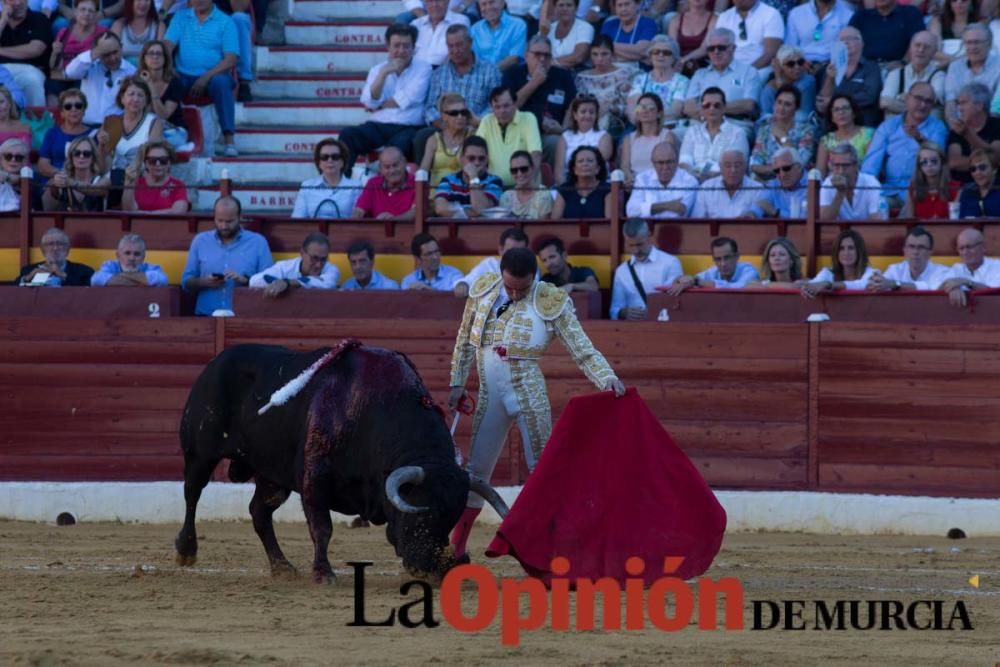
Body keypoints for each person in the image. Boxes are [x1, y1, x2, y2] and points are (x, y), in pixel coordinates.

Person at [447, 245, 625, 557]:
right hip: (490, 393)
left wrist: (605, 376)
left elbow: (581, 348)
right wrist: (457, 382)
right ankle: (456, 548)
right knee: (475, 471)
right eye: (509, 287)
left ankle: (549, 550)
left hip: (528, 392)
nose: (515, 295)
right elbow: (464, 339)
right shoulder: (483, 290)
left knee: (541, 471)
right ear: (500, 275)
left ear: (535, 277)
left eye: (522, 288)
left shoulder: (551, 299)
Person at [340, 24, 430, 170]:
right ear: (387, 46)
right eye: (396, 45)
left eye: (406, 46)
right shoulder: (377, 70)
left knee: (396, 147)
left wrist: (379, 105)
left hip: (408, 126)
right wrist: (383, 74)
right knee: (348, 134)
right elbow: (368, 101)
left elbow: (409, 99)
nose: (401, 51)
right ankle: (341, 183)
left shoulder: (423, 68)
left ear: (414, 47)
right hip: (378, 125)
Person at [415, 24, 500, 166]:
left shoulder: (490, 71)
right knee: (422, 136)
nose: (455, 50)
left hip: (476, 128)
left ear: (470, 43)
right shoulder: (439, 74)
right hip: (445, 128)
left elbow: (495, 106)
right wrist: (445, 124)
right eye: (451, 46)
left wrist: (478, 121)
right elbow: (430, 107)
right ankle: (422, 181)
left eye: (459, 45)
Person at [164, 0, 240, 156]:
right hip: (183, 74)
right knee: (168, 80)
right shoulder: (180, 17)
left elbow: (231, 59)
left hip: (213, 75)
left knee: (221, 83)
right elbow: (166, 47)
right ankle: (169, 134)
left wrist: (206, 77)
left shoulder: (226, 21)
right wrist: (170, 68)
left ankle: (229, 140)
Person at [861, 82, 948, 208]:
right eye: (918, 98)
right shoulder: (888, 126)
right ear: (907, 98)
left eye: (928, 101)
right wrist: (867, 193)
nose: (923, 105)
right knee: (873, 206)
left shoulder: (937, 127)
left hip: (921, 192)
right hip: (889, 191)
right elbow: (870, 166)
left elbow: (937, 158)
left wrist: (920, 140)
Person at [181, 196, 273, 315]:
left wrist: (246, 281)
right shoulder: (200, 241)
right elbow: (185, 283)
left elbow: (269, 282)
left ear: (240, 217)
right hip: (206, 317)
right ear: (214, 217)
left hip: (244, 318)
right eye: (220, 220)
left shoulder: (258, 242)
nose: (224, 226)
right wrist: (204, 282)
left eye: (229, 221)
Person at [502, 34, 576, 159]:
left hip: (550, 134)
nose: (542, 59)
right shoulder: (512, 74)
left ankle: (557, 179)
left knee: (557, 143)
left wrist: (563, 128)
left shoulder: (563, 76)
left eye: (547, 55)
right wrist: (534, 82)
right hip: (519, 133)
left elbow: (573, 105)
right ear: (526, 56)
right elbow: (508, 108)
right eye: (537, 54)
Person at [609, 217, 683, 320]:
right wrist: (623, 313)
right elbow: (614, 311)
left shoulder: (671, 263)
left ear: (649, 236)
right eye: (631, 245)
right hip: (632, 331)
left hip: (663, 329)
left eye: (639, 245)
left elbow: (675, 302)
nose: (636, 251)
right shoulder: (621, 271)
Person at [683, 28, 762, 125]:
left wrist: (710, 109)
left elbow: (748, 105)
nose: (716, 52)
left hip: (734, 123)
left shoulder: (749, 72)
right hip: (702, 123)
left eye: (721, 48)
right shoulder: (700, 74)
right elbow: (688, 107)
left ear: (733, 49)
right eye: (711, 49)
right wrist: (714, 112)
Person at [814, 27, 882, 128]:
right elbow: (823, 100)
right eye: (842, 40)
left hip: (862, 125)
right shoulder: (829, 68)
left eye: (851, 39)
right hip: (833, 127)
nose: (846, 42)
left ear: (861, 44)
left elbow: (869, 97)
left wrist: (835, 102)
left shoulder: (871, 68)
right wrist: (830, 78)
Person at [63, 31, 136, 126]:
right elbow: (70, 73)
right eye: (107, 54)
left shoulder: (132, 72)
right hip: (85, 127)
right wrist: (96, 52)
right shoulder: (89, 65)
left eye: (115, 52)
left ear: (121, 47)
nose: (113, 58)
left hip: (116, 128)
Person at [475, 85, 542, 186]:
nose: (502, 111)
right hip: (493, 187)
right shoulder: (486, 121)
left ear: (515, 104)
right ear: (491, 107)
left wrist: (527, 185)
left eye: (506, 106)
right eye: (497, 107)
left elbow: (536, 154)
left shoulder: (528, 118)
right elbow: (477, 153)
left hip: (524, 187)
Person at [98, 76, 163, 177]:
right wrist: (102, 147)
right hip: (113, 177)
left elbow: (153, 159)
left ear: (146, 100)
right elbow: (103, 167)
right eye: (131, 94)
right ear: (122, 98)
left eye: (140, 95)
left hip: (140, 177)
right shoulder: (111, 122)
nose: (135, 99)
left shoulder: (154, 122)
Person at [749, 84, 817, 181]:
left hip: (796, 183)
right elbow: (754, 164)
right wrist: (777, 169)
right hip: (767, 182)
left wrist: (782, 137)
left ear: (796, 109)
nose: (781, 108)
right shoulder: (765, 129)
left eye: (787, 104)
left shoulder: (806, 131)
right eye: (779, 102)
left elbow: (799, 163)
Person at [46, 0, 105, 106]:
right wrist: (55, 53)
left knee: (75, 97)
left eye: (91, 11)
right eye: (83, 9)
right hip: (63, 76)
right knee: (51, 90)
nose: (86, 14)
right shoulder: (64, 32)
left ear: (96, 15)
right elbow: (53, 66)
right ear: (75, 12)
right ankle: (54, 119)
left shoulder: (102, 34)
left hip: (86, 78)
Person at [880, 32, 946, 120]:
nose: (920, 50)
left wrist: (902, 99)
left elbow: (936, 98)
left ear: (934, 52)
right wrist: (920, 109)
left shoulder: (939, 75)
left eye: (926, 47)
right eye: (917, 45)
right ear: (910, 48)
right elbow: (885, 102)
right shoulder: (896, 74)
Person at [433, 135, 504, 217]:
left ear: (487, 160)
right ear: (462, 159)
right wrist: (473, 212)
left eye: (481, 158)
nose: (476, 163)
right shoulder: (448, 180)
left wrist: (473, 177)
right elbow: (440, 209)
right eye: (471, 158)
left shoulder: (495, 181)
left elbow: (481, 209)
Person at [248, 232, 339, 296]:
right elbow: (254, 281)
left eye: (323, 259)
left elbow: (327, 285)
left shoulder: (331, 269)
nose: (318, 265)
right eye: (314, 258)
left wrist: (288, 283)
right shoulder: (284, 267)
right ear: (302, 253)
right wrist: (278, 282)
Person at [626, 140, 699, 218]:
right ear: (653, 163)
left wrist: (648, 208)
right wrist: (667, 206)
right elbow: (631, 211)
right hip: (647, 229)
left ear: (677, 161)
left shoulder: (690, 181)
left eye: (669, 162)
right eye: (661, 163)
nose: (665, 167)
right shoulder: (642, 179)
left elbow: (677, 215)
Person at [626, 35, 689, 125]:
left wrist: (650, 120)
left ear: (674, 58)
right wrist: (642, 122)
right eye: (656, 52)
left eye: (666, 53)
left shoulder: (682, 81)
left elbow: (676, 111)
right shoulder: (640, 79)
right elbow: (633, 106)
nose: (660, 55)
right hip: (640, 126)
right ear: (650, 56)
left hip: (668, 126)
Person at [574, 35, 631, 134]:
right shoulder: (581, 78)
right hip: (585, 120)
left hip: (613, 123)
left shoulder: (624, 75)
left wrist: (609, 108)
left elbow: (627, 107)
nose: (599, 59)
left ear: (613, 55)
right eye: (595, 54)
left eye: (604, 54)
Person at [0, 0, 51, 108]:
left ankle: (37, 121)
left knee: (32, 79)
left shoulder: (39, 18)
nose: (18, 3)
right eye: (12, 0)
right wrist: (3, 21)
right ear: (4, 3)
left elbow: (36, 49)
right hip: (1, 69)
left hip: (29, 68)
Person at [292, 138, 360, 219]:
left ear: (342, 162)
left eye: (335, 157)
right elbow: (297, 219)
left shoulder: (356, 187)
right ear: (319, 163)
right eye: (324, 157)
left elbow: (356, 222)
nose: (330, 160)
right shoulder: (307, 186)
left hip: (343, 231)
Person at [136, 40, 187, 149]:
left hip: (172, 130)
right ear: (144, 58)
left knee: (158, 145)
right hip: (146, 130)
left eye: (159, 54)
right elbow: (141, 114)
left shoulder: (175, 82)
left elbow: (163, 116)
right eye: (151, 53)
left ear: (165, 59)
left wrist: (150, 85)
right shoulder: (137, 82)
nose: (155, 57)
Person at [946, 82, 1000, 184]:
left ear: (979, 106)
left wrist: (968, 135)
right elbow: (953, 162)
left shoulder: (997, 126)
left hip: (993, 186)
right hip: (963, 186)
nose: (959, 109)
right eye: (958, 103)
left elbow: (997, 158)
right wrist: (985, 164)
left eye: (964, 103)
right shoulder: (957, 129)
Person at [867, 226, 950, 291]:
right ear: (905, 251)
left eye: (921, 247)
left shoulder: (941, 271)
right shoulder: (895, 270)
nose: (915, 252)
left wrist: (896, 284)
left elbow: (931, 287)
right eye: (911, 247)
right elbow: (883, 285)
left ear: (930, 252)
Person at [454, 226, 531, 296]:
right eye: (511, 251)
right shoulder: (490, 264)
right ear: (501, 250)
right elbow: (467, 282)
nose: (516, 257)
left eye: (520, 251)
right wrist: (463, 286)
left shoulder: (531, 265)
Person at [37, 88, 91, 185]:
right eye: (68, 106)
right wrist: (61, 175)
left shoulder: (93, 134)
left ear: (84, 110)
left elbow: (100, 167)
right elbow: (42, 165)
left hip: (83, 183)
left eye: (78, 106)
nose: (73, 109)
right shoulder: (52, 133)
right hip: (55, 182)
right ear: (62, 113)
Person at [801, 229, 877, 298]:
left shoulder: (871, 273)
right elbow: (814, 284)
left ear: (859, 252)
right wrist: (807, 288)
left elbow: (861, 285)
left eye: (851, 248)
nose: (846, 253)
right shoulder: (827, 272)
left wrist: (829, 284)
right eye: (841, 248)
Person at [668, 236, 760, 293]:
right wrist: (682, 279)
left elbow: (737, 288)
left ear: (737, 256)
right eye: (718, 259)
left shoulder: (749, 271)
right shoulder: (713, 272)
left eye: (727, 257)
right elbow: (693, 278)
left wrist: (697, 281)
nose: (723, 263)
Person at [621, 92, 676, 186]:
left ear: (659, 114)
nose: (645, 111)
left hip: (658, 183)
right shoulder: (629, 138)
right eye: (641, 107)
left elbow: (667, 165)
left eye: (650, 108)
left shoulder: (666, 136)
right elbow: (625, 166)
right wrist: (629, 178)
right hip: (634, 184)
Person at [848, 0, 924, 68]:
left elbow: (918, 42)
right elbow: (847, 42)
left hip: (899, 69)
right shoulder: (860, 17)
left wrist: (903, 63)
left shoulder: (910, 13)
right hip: (865, 71)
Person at [420, 92, 475, 186]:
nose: (460, 117)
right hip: (436, 193)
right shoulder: (434, 140)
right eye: (454, 113)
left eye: (464, 112)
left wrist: (474, 120)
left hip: (463, 193)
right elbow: (423, 172)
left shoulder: (473, 136)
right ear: (443, 116)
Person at [554, 94, 611, 184]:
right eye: (583, 112)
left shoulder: (604, 136)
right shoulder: (565, 137)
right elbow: (559, 170)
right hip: (570, 183)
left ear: (596, 115)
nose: (587, 115)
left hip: (597, 183)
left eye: (592, 112)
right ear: (575, 115)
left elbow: (600, 165)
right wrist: (565, 189)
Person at [944, 25, 1000, 117]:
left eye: (977, 42)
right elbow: (950, 102)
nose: (973, 47)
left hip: (991, 122)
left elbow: (997, 107)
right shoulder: (955, 67)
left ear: (989, 44)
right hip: (961, 123)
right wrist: (954, 125)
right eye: (969, 43)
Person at [42, 134, 108, 211]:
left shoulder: (103, 180)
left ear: (93, 157)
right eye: (77, 153)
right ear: (71, 156)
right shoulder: (61, 180)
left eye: (86, 154)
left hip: (97, 222)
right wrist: (54, 187)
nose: (81, 157)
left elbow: (96, 189)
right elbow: (47, 208)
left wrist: (70, 182)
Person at [120, 139, 189, 213]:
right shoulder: (136, 183)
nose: (158, 164)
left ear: (169, 163)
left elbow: (179, 211)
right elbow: (127, 210)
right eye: (153, 160)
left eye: (163, 160)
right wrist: (129, 183)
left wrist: (148, 214)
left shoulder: (178, 185)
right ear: (146, 163)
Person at [691, 148, 761, 218]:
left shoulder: (757, 189)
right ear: (720, 167)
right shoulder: (706, 188)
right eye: (728, 166)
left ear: (745, 167)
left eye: (737, 166)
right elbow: (697, 221)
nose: (733, 170)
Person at [815, 94, 875, 176]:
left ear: (854, 113)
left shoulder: (869, 134)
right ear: (831, 117)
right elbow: (820, 174)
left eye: (845, 108)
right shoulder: (826, 140)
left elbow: (872, 168)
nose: (841, 112)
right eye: (836, 110)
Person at [939, 227, 1000, 307]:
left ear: (983, 247)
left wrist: (967, 282)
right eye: (961, 248)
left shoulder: (997, 266)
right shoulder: (956, 268)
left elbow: (994, 292)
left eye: (969, 247)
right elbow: (940, 287)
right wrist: (953, 288)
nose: (965, 252)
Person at [820, 143, 883, 220]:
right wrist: (840, 194)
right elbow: (824, 220)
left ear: (856, 165)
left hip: (867, 230)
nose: (841, 171)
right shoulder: (828, 183)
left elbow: (876, 219)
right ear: (831, 166)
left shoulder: (871, 182)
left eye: (845, 165)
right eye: (837, 165)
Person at [715, 0, 783, 71]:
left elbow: (771, 54)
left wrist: (745, 73)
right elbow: (719, 50)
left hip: (759, 70)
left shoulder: (771, 14)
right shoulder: (724, 17)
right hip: (729, 69)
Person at [351, 147, 417, 219]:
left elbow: (416, 212)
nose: (392, 171)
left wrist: (392, 221)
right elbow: (360, 209)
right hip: (377, 229)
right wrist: (356, 215)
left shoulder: (418, 183)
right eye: (387, 167)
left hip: (407, 230)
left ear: (404, 162)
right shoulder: (373, 183)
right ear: (381, 169)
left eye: (395, 165)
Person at [552, 145, 614, 219]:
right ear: (574, 169)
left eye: (590, 161)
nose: (585, 164)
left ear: (598, 168)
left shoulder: (607, 189)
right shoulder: (564, 190)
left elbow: (610, 223)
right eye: (580, 161)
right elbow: (555, 222)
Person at [786, 0, 855, 66]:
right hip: (800, 66)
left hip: (831, 66)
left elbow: (846, 50)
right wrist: (801, 62)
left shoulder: (848, 15)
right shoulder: (796, 13)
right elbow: (790, 47)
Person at [17, 227, 94, 286]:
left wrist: (62, 274)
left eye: (60, 244)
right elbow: (11, 290)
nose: (55, 248)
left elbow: (89, 291)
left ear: (68, 249)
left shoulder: (84, 271)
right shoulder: (28, 270)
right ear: (42, 249)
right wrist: (28, 278)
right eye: (50, 244)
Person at [901, 142, 958, 219]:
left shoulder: (955, 188)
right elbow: (909, 221)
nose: (929, 165)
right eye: (924, 162)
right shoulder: (913, 189)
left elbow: (956, 221)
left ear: (942, 163)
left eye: (934, 161)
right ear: (919, 166)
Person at [90, 232, 167, 286]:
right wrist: (143, 281)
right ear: (118, 256)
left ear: (143, 257)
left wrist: (118, 276)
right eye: (127, 253)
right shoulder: (110, 265)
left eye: (137, 254)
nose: (132, 258)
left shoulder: (152, 268)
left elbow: (161, 280)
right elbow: (96, 280)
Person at [752, 147, 809, 218]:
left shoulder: (814, 185)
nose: (782, 174)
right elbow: (756, 209)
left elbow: (804, 220)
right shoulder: (773, 185)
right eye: (777, 171)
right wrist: (749, 216)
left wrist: (776, 212)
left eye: (786, 168)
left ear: (799, 167)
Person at [471, 0, 527, 71]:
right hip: (480, 77)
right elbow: (473, 59)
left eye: (492, 2)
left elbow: (514, 58)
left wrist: (489, 73)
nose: (488, 7)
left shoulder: (518, 25)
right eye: (483, 4)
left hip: (507, 76)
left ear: (503, 3)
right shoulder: (474, 29)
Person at [599, 0, 656, 68]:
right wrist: (636, 55)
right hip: (611, 69)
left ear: (638, 5)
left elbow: (642, 51)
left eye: (627, 4)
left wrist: (610, 46)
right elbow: (602, 51)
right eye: (620, 5)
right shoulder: (609, 24)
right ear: (615, 8)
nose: (623, 9)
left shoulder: (648, 23)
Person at [413, 0, 471, 66]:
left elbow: (456, 53)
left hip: (443, 70)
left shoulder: (460, 21)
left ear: (448, 1)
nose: (434, 5)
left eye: (439, 1)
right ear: (424, 4)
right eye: (430, 1)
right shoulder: (415, 24)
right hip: (416, 72)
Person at [498, 149, 553, 218]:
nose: (519, 174)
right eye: (514, 170)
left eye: (524, 169)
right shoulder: (506, 198)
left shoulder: (543, 195)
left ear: (532, 168)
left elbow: (543, 227)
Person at [668, 0, 717, 77]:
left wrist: (683, 60)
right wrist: (678, 61)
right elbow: (672, 46)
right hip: (677, 64)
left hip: (702, 64)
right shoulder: (676, 19)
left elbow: (705, 48)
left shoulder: (714, 19)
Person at [540, 0, 593, 69]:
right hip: (547, 71)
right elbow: (536, 53)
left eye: (569, 5)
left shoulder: (585, 27)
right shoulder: (548, 27)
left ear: (576, 8)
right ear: (555, 8)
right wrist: (543, 35)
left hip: (573, 72)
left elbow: (579, 57)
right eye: (561, 5)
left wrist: (548, 63)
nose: (565, 9)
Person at [110, 0, 164, 65]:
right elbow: (113, 55)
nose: (143, 3)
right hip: (124, 71)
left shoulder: (159, 26)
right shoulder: (118, 25)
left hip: (150, 70)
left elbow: (160, 55)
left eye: (147, 0)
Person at [929, 0, 979, 66]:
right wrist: (956, 61)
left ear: (971, 2)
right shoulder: (937, 21)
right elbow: (933, 51)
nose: (959, 2)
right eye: (954, 0)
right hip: (941, 67)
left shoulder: (979, 23)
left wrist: (949, 62)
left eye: (964, 0)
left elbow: (978, 50)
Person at [957, 148, 1000, 216]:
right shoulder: (966, 191)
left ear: (994, 169)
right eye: (973, 169)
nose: (977, 173)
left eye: (982, 167)